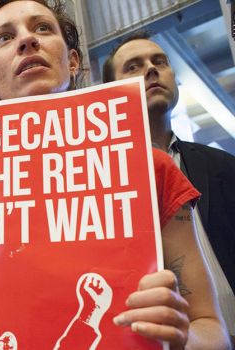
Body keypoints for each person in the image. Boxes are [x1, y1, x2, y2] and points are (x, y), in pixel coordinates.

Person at [0, 1, 230, 349]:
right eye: (5, 37)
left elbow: (212, 329)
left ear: (72, 61)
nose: (27, 40)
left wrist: (181, 338)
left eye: (42, 29)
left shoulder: (150, 167)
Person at [102, 30, 235, 342]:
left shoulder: (225, 167)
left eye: (159, 61)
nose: (151, 69)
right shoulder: (101, 180)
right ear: (111, 90)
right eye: (133, 66)